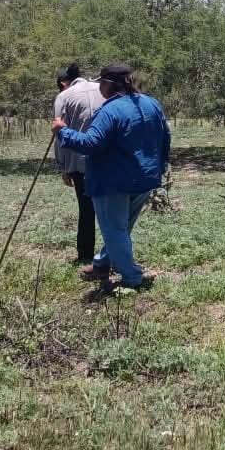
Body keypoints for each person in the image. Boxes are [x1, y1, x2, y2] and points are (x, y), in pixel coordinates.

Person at [53, 62, 171, 295]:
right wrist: (158, 165)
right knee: (122, 226)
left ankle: (132, 277)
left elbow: (90, 144)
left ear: (107, 83)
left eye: (101, 83)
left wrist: (62, 131)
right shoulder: (151, 104)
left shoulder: (110, 111)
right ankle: (101, 264)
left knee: (114, 230)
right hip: (144, 178)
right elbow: (165, 138)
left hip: (112, 181)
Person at [53, 63, 104, 264]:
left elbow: (59, 133)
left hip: (80, 161)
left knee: (86, 210)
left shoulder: (64, 96)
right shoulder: (103, 89)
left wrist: (63, 167)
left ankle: (85, 256)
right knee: (110, 210)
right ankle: (113, 255)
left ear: (63, 83)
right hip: (106, 160)